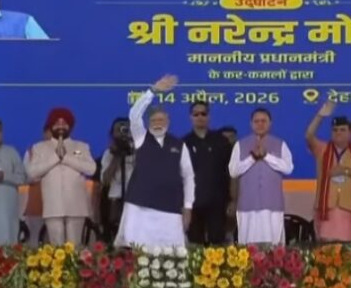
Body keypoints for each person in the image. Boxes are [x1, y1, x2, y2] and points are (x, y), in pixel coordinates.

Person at [115, 75, 195, 247]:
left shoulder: (179, 145)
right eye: (153, 120)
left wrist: (188, 206)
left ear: (168, 121)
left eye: (161, 120)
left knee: (171, 255)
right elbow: (134, 115)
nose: (157, 123)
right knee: (139, 252)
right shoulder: (141, 138)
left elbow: (188, 176)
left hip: (170, 209)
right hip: (140, 208)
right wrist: (152, 91)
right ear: (148, 123)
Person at [25, 108, 96, 244]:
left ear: (70, 125)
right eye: (57, 123)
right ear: (51, 125)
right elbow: (32, 172)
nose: (61, 126)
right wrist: (55, 157)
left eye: (64, 123)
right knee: (56, 249)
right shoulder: (39, 147)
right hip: (52, 207)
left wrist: (66, 158)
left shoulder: (81, 146)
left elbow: (91, 169)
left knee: (74, 248)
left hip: (76, 206)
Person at [306, 102, 351, 242]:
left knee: (348, 249)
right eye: (335, 130)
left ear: (349, 133)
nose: (338, 133)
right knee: (327, 249)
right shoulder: (322, 149)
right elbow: (309, 136)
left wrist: (345, 171)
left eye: (342, 130)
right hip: (326, 209)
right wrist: (320, 116)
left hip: (349, 209)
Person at [229, 108, 293, 245]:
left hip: (272, 206)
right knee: (247, 247)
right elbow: (233, 171)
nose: (260, 124)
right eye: (256, 121)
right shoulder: (240, 145)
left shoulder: (280, 144)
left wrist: (266, 156)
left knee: (273, 247)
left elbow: (288, 168)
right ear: (251, 124)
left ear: (270, 123)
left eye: (263, 121)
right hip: (247, 206)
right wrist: (252, 159)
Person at [183, 100, 233, 246]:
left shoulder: (221, 141)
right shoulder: (184, 143)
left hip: (217, 203)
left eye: (203, 114)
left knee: (217, 244)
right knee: (195, 245)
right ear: (190, 117)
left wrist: (232, 199)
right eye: (196, 114)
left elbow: (231, 172)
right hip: (193, 203)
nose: (200, 117)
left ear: (209, 116)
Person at [99, 117, 134, 243]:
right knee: (116, 233)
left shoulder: (139, 152)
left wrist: (134, 150)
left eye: (126, 129)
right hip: (116, 201)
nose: (123, 132)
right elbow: (105, 180)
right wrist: (117, 155)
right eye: (119, 130)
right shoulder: (109, 154)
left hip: (135, 200)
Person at [22, 128, 52, 246]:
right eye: (50, 131)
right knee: (34, 243)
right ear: (44, 133)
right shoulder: (32, 151)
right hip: (36, 205)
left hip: (60, 207)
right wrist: (42, 173)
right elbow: (26, 177)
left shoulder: (67, 151)